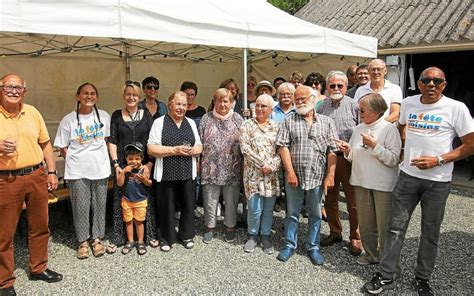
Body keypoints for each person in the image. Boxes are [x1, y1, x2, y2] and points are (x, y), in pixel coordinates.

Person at [363, 67, 474, 295]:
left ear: (444, 84)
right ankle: (386, 276)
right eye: (426, 80)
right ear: (419, 84)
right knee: (395, 229)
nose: (431, 84)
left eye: (436, 81)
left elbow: (470, 144)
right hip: (408, 178)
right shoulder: (410, 103)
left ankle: (422, 278)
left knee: (430, 232)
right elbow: (402, 125)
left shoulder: (456, 108)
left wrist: (439, 159)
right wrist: (406, 148)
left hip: (438, 181)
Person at [0, 74, 62, 295]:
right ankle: (5, 281)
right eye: (9, 87)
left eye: (18, 87)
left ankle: (38, 268)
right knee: (4, 232)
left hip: (36, 175)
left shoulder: (33, 112)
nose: (14, 91)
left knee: (40, 225)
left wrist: (52, 171)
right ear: (1, 88)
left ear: (24, 91)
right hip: (6, 179)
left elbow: (45, 143)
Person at [336, 93, 401, 265]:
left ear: (376, 111)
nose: (359, 112)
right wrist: (347, 150)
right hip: (361, 182)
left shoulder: (389, 129)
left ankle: (388, 261)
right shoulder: (359, 128)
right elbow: (353, 156)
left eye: (362, 109)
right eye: (359, 108)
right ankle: (371, 255)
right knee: (365, 224)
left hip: (382, 185)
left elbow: (394, 159)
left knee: (384, 225)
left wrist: (375, 146)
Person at [275, 85, 337, 265]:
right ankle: (289, 245)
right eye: (297, 99)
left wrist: (330, 175)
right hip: (295, 176)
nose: (299, 102)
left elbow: (332, 151)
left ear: (313, 99)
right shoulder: (289, 120)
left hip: (317, 177)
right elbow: (282, 146)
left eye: (303, 99)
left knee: (316, 214)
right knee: (292, 213)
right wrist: (290, 172)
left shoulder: (327, 122)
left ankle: (313, 246)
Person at [54, 82, 111, 259]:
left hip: (100, 168)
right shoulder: (68, 119)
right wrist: (73, 159)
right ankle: (82, 240)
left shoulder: (104, 116)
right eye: (85, 93)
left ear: (97, 96)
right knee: (81, 207)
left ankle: (97, 238)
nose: (89, 96)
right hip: (77, 170)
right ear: (78, 96)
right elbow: (62, 146)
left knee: (100, 206)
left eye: (93, 93)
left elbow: (106, 140)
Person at [148, 91, 202, 252]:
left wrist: (193, 151)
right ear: (170, 104)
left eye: (184, 105)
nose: (181, 108)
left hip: (187, 171)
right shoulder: (159, 122)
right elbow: (151, 148)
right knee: (167, 205)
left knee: (187, 205)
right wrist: (174, 150)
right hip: (166, 173)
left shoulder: (191, 123)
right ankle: (166, 237)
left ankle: (186, 235)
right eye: (178, 104)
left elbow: (199, 145)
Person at [108, 82, 158, 254]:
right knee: (122, 202)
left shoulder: (146, 115)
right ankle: (121, 238)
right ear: (123, 96)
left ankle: (148, 235)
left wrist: (150, 163)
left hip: (143, 164)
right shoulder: (116, 115)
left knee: (145, 201)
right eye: (128, 94)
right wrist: (115, 164)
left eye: (134, 95)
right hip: (123, 165)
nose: (131, 97)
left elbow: (152, 140)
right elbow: (112, 141)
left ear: (139, 97)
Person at [317, 71, 361, 256]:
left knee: (353, 201)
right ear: (327, 87)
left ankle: (356, 237)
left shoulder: (355, 106)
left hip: (349, 159)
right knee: (330, 199)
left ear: (346, 87)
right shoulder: (321, 107)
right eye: (332, 85)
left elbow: (362, 130)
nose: (336, 89)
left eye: (340, 86)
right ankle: (335, 232)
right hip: (328, 158)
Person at [199, 88, 244, 244]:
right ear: (214, 102)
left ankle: (230, 227)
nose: (223, 104)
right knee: (210, 199)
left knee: (231, 201)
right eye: (219, 100)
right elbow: (199, 141)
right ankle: (209, 227)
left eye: (226, 101)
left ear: (231, 103)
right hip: (209, 167)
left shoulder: (238, 119)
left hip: (232, 168)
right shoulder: (206, 118)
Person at [239, 94, 281, 254]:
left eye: (263, 106)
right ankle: (252, 235)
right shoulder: (247, 125)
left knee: (268, 208)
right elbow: (245, 149)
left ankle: (265, 236)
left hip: (271, 175)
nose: (259, 109)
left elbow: (282, 149)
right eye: (257, 105)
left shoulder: (277, 126)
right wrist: (262, 164)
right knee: (254, 208)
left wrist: (272, 166)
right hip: (253, 174)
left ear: (271, 109)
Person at [116, 143, 152, 255]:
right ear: (126, 159)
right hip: (126, 200)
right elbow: (119, 183)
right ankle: (130, 241)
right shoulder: (124, 169)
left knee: (139, 222)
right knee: (128, 222)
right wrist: (123, 172)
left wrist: (144, 180)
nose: (134, 161)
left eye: (137, 158)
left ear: (142, 159)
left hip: (140, 201)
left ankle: (140, 241)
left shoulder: (144, 169)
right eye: (130, 158)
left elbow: (150, 183)